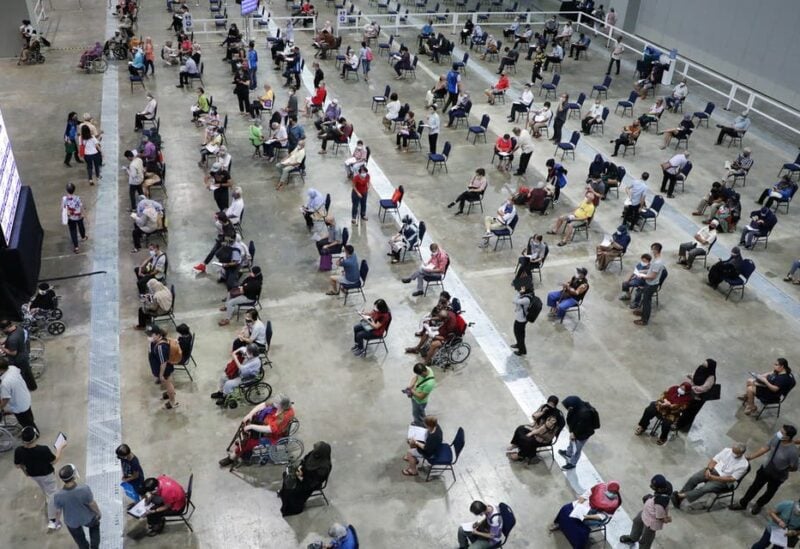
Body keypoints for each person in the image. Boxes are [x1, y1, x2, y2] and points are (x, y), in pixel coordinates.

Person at [731, 425, 799, 514]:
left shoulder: (793, 451)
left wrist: (783, 468)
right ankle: (743, 503)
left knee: (769, 492)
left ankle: (759, 504)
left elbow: (794, 467)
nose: (779, 433)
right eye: (780, 431)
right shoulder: (776, 438)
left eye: (782, 433)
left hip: (778, 476)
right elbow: (766, 447)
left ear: (788, 437)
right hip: (766, 468)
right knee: (754, 487)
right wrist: (751, 457)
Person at [219, 395, 296, 467]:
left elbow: (270, 429)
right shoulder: (280, 405)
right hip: (265, 423)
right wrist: (250, 414)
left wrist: (252, 426)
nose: (273, 403)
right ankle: (245, 451)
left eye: (276, 403)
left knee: (248, 441)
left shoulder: (285, 416)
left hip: (272, 435)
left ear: (282, 406)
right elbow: (263, 404)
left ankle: (233, 457)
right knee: (247, 424)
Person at [14, 425, 66, 531]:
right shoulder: (43, 450)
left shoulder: (19, 451)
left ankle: (48, 500)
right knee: (52, 494)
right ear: (36, 436)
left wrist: (26, 473)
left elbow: (18, 465)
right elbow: (54, 461)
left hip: (33, 475)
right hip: (46, 475)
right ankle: (52, 521)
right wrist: (60, 448)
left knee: (43, 487)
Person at [672, 444, 748, 509]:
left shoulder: (744, 464)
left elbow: (731, 479)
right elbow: (714, 460)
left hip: (723, 480)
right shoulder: (727, 450)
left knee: (705, 488)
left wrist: (714, 478)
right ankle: (679, 499)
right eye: (733, 450)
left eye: (735, 452)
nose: (732, 453)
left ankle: (680, 496)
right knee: (694, 478)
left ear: (741, 453)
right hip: (713, 470)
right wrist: (708, 469)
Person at [550, 481, 622, 547]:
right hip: (585, 505)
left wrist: (587, 516)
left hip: (595, 514)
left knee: (580, 530)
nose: (609, 493)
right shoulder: (600, 487)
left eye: (612, 492)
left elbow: (604, 516)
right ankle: (560, 524)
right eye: (608, 491)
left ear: (616, 493)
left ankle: (578, 545)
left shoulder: (614, 503)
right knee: (565, 509)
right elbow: (586, 494)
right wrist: (578, 505)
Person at [54, 464, 102, 549]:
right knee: (94, 527)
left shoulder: (58, 495)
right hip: (88, 517)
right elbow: (92, 504)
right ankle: (94, 547)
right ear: (74, 476)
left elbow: (58, 511)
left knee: (80, 540)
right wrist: (98, 513)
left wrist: (57, 522)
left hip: (71, 522)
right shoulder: (84, 489)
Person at [279, 441, 332, 516]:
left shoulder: (324, 468)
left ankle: (291, 508)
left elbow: (313, 482)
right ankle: (284, 496)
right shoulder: (314, 454)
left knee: (292, 489)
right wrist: (300, 467)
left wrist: (301, 478)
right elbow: (304, 460)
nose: (313, 452)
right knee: (287, 476)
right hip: (302, 474)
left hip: (309, 484)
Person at [619, 474, 672, 548]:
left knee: (646, 539)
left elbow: (660, 517)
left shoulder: (660, 503)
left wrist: (667, 519)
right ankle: (633, 538)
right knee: (637, 522)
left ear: (659, 489)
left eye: (653, 486)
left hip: (651, 522)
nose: (650, 486)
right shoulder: (666, 486)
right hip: (646, 512)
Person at [506, 395, 562, 462]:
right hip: (536, 428)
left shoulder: (555, 416)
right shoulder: (544, 407)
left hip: (545, 435)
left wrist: (532, 432)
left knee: (528, 440)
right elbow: (534, 416)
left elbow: (545, 428)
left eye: (552, 405)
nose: (549, 406)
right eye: (548, 403)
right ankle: (515, 444)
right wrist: (543, 412)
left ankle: (520, 455)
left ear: (555, 405)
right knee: (520, 428)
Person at [676, 359, 718, 431]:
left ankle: (682, 426)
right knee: (684, 407)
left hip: (699, 397)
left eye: (705, 365)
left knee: (690, 412)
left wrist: (693, 388)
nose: (703, 366)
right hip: (691, 392)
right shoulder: (700, 368)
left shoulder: (711, 377)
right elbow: (695, 375)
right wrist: (691, 377)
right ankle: (678, 421)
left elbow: (704, 388)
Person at [558, 395, 599, 470]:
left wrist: (574, 434)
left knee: (577, 449)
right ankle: (568, 453)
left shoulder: (585, 414)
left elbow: (581, 427)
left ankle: (572, 463)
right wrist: (571, 432)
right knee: (572, 442)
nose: (569, 409)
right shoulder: (577, 407)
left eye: (569, 407)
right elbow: (572, 421)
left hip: (583, 434)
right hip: (576, 431)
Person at [632, 242, 665, 326]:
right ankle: (643, 312)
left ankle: (644, 320)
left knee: (647, 302)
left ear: (656, 250)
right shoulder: (657, 259)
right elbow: (651, 270)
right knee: (645, 299)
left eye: (652, 249)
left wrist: (642, 276)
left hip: (651, 284)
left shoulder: (658, 263)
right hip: (649, 283)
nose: (651, 251)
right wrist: (642, 271)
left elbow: (653, 276)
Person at [1, 320, 36, 391]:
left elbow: (13, 353)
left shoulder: (12, 339)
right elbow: (11, 337)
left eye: (2, 329)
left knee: (21, 375)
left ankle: (23, 389)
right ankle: (33, 387)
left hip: (18, 359)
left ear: (7, 327)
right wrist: (4, 341)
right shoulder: (18, 328)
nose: (2, 331)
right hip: (24, 352)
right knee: (27, 373)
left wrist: (2, 348)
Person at [511, 280, 534, 356]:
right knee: (519, 333)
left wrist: (519, 293)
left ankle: (522, 350)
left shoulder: (526, 299)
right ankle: (519, 344)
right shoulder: (529, 294)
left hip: (521, 319)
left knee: (519, 334)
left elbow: (514, 300)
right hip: (521, 317)